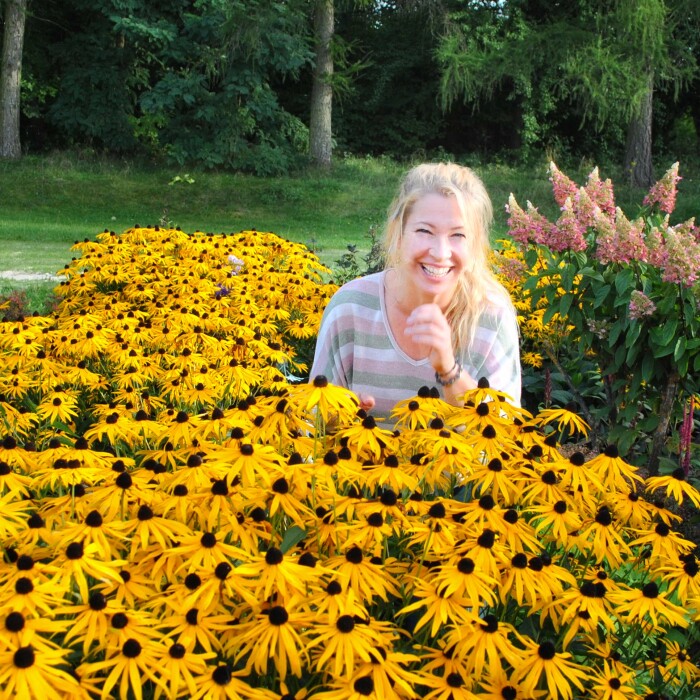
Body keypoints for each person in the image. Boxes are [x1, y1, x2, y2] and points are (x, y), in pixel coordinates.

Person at [310, 162, 521, 419]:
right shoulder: (351, 308)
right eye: (424, 231)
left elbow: (504, 440)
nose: (440, 253)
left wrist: (449, 371)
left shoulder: (491, 319)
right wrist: (340, 415)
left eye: (458, 235)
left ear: (475, 245)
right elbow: (311, 426)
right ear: (399, 233)